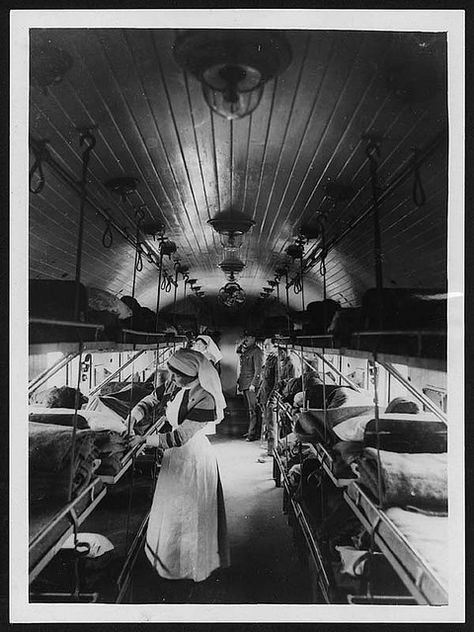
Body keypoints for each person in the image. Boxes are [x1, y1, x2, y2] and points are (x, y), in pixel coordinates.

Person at [128, 349, 229, 582]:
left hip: (193, 456)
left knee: (189, 512)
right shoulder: (175, 384)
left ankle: (191, 566)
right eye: (171, 374)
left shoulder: (205, 398)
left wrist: (144, 440)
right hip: (175, 457)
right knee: (172, 510)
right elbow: (152, 398)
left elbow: (181, 436)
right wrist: (135, 414)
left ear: (192, 375)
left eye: (176, 375)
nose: (171, 379)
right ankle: (169, 562)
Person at [236, 331, 263, 441]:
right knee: (249, 409)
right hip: (244, 383)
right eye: (245, 337)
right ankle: (251, 431)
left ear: (254, 338)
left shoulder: (257, 351)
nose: (246, 339)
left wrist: (254, 384)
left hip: (250, 385)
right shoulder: (247, 350)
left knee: (253, 410)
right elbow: (237, 352)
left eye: (249, 337)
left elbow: (258, 370)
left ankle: (253, 434)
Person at [256, 338, 280, 462]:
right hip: (265, 395)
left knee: (272, 424)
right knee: (267, 422)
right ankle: (270, 448)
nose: (265, 348)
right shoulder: (269, 359)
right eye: (264, 345)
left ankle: (272, 450)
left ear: (274, 346)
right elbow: (264, 380)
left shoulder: (276, 360)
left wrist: (272, 398)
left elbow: (277, 382)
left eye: (267, 345)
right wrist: (260, 394)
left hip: (271, 397)